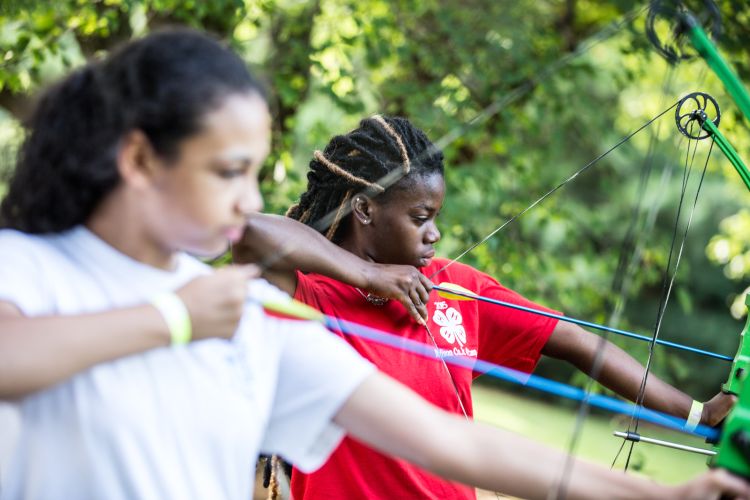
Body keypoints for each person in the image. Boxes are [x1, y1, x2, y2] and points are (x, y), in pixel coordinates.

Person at [0, 28, 745, 500]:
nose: (250, 198)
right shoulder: (31, 270)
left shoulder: (249, 318)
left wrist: (659, 496)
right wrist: (179, 318)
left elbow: (455, 442)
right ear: (138, 157)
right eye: (230, 170)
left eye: (257, 172)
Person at [235, 115, 737, 500]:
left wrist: (696, 414)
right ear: (365, 207)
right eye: (420, 217)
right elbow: (249, 231)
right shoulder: (306, 295)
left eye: (437, 217)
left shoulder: (455, 288)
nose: (434, 233)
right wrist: (368, 275)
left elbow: (580, 344)